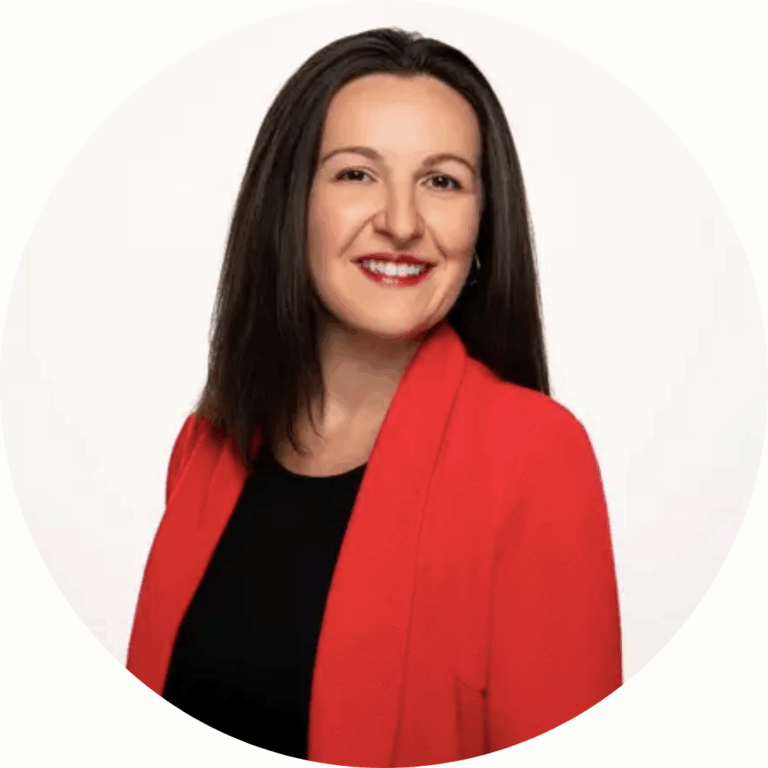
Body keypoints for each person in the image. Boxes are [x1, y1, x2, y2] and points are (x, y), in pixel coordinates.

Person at [127, 27, 622, 766]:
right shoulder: (204, 446)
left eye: (443, 181)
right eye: (357, 174)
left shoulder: (535, 457)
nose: (400, 221)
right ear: (290, 206)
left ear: (483, 224)